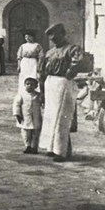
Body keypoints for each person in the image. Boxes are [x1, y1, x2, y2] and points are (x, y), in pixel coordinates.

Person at [39, 23, 84, 162]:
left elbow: (79, 63)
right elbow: (42, 70)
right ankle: (52, 147)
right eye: (51, 37)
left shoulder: (72, 49)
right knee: (50, 116)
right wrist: (41, 87)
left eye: (56, 36)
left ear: (63, 34)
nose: (53, 39)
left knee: (61, 117)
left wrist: (69, 73)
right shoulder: (50, 52)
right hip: (50, 83)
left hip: (63, 83)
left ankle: (62, 151)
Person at [12, 76, 43, 154]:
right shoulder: (21, 95)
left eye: (32, 84)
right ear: (24, 85)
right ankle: (27, 145)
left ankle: (34, 147)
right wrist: (17, 114)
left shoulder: (38, 95)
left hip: (36, 117)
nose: (29, 86)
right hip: (25, 117)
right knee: (26, 133)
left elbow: (43, 104)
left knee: (36, 133)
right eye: (27, 84)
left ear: (36, 86)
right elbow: (16, 105)